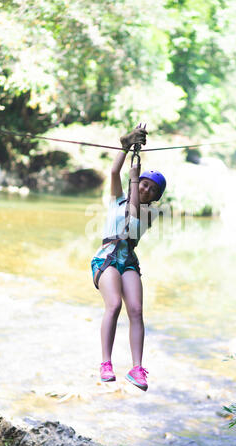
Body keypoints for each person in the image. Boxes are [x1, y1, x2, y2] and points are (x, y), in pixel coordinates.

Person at [90, 126, 166, 391]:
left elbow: (134, 213)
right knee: (113, 305)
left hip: (128, 261)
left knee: (136, 310)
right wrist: (125, 147)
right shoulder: (116, 201)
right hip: (106, 258)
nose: (145, 189)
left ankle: (137, 368)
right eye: (144, 184)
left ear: (156, 197)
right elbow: (113, 172)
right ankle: (105, 363)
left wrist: (134, 177)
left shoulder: (151, 215)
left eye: (151, 189)